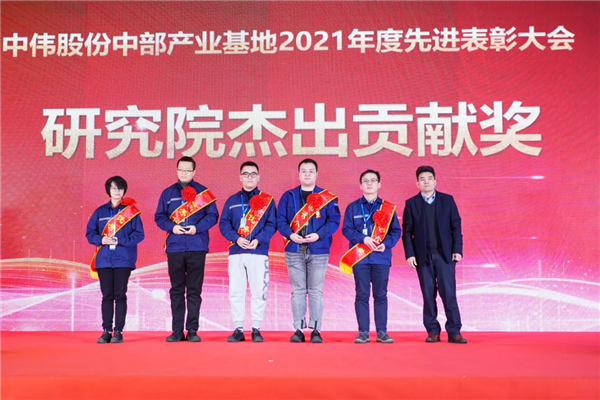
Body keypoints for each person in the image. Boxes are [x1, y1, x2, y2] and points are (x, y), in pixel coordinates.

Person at [154, 156, 219, 343]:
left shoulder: (204, 193)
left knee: (194, 290)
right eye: (180, 170)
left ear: (194, 172)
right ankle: (176, 331)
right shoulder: (168, 193)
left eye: (187, 170)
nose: (184, 173)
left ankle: (192, 330)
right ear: (176, 170)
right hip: (175, 247)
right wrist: (172, 227)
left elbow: (213, 215)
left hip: (197, 245)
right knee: (176, 290)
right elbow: (159, 217)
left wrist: (197, 228)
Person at [277, 158, 340, 343]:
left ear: (317, 174)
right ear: (298, 174)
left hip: (318, 249)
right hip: (294, 249)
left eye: (311, 171)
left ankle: (316, 330)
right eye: (303, 171)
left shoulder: (327, 197)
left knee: (315, 291)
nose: (307, 174)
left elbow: (334, 221)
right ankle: (298, 329)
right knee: (297, 291)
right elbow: (280, 220)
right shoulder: (288, 196)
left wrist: (318, 235)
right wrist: (290, 235)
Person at [401, 166, 467, 344]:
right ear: (417, 183)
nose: (426, 182)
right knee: (428, 294)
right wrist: (410, 254)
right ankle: (432, 331)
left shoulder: (447, 200)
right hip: (422, 257)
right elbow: (407, 232)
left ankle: (454, 331)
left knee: (449, 294)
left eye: (429, 178)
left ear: (435, 181)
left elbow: (456, 226)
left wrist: (457, 250)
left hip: (445, 256)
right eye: (422, 179)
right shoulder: (411, 203)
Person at [219, 161, 277, 343]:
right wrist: (236, 239)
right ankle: (238, 329)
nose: (249, 177)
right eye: (246, 174)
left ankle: (256, 328)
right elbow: (224, 224)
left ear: (258, 177)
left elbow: (272, 224)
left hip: (258, 252)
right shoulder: (232, 201)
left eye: (253, 174)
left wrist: (258, 239)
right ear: (240, 177)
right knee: (236, 291)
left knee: (259, 290)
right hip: (236, 252)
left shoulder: (267, 201)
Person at [341, 170, 401, 344]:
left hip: (381, 257)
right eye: (365, 181)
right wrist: (363, 238)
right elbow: (346, 230)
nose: (369, 183)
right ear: (360, 185)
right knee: (362, 294)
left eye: (373, 180)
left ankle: (382, 332)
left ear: (379, 184)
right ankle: (363, 332)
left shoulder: (388, 208)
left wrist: (386, 244)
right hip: (359, 258)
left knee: (381, 294)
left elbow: (396, 231)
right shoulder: (353, 207)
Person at [86, 176, 144, 344]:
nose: (117, 191)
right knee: (107, 296)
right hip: (104, 260)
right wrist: (101, 240)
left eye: (120, 188)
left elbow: (139, 234)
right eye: (113, 188)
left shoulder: (131, 212)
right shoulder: (100, 212)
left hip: (123, 259)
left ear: (124, 190)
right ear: (108, 191)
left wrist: (121, 241)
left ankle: (118, 331)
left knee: (120, 295)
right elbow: (90, 233)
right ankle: (106, 331)